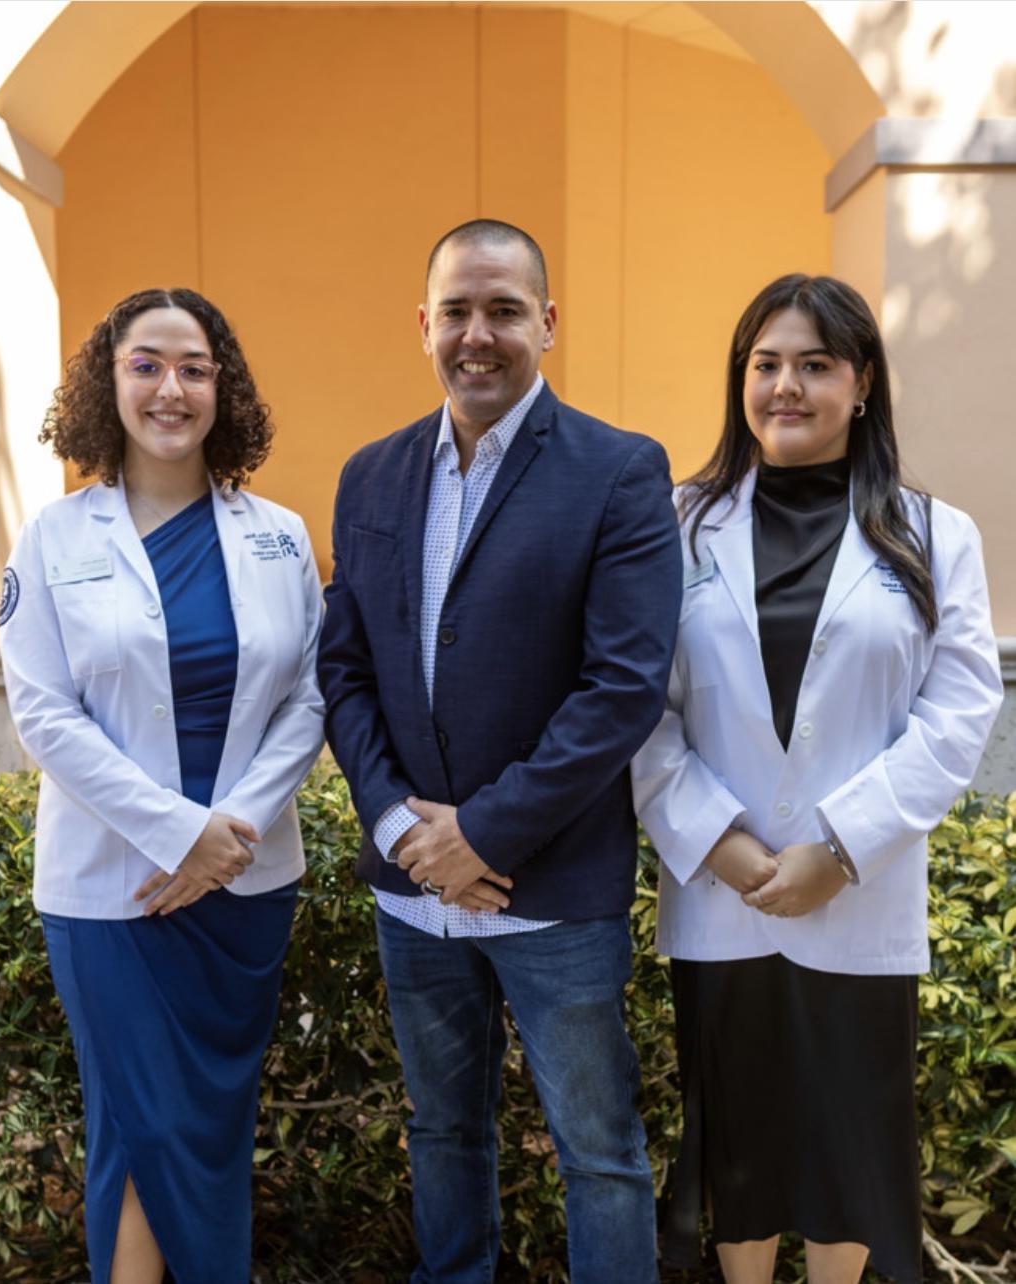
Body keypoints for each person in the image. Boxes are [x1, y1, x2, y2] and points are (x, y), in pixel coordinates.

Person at [318, 219, 682, 1282]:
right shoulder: (370, 475)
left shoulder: (618, 472)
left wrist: (480, 833)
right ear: (423, 325)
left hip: (551, 891)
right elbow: (343, 673)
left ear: (548, 324)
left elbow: (621, 689)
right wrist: (400, 827)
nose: (478, 334)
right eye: (457, 311)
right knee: (441, 1133)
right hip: (408, 896)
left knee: (599, 1155)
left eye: (504, 310)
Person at [632, 273, 1003, 1284]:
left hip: (858, 895)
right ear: (738, 381)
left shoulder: (935, 535)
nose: (784, 386)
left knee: (847, 1148)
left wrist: (838, 848)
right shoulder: (674, 523)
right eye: (764, 365)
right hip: (724, 894)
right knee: (738, 1144)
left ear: (861, 382)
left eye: (812, 365)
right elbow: (637, 709)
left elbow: (958, 712)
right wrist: (723, 840)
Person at [0, 287, 324, 1284]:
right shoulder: (55, 538)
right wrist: (180, 834)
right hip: (114, 896)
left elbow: (310, 697)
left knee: (211, 1131)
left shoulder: (279, 533)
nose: (169, 389)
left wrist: (234, 828)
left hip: (243, 890)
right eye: (145, 364)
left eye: (193, 367)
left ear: (222, 388)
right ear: (109, 382)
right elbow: (45, 713)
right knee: (137, 1131)